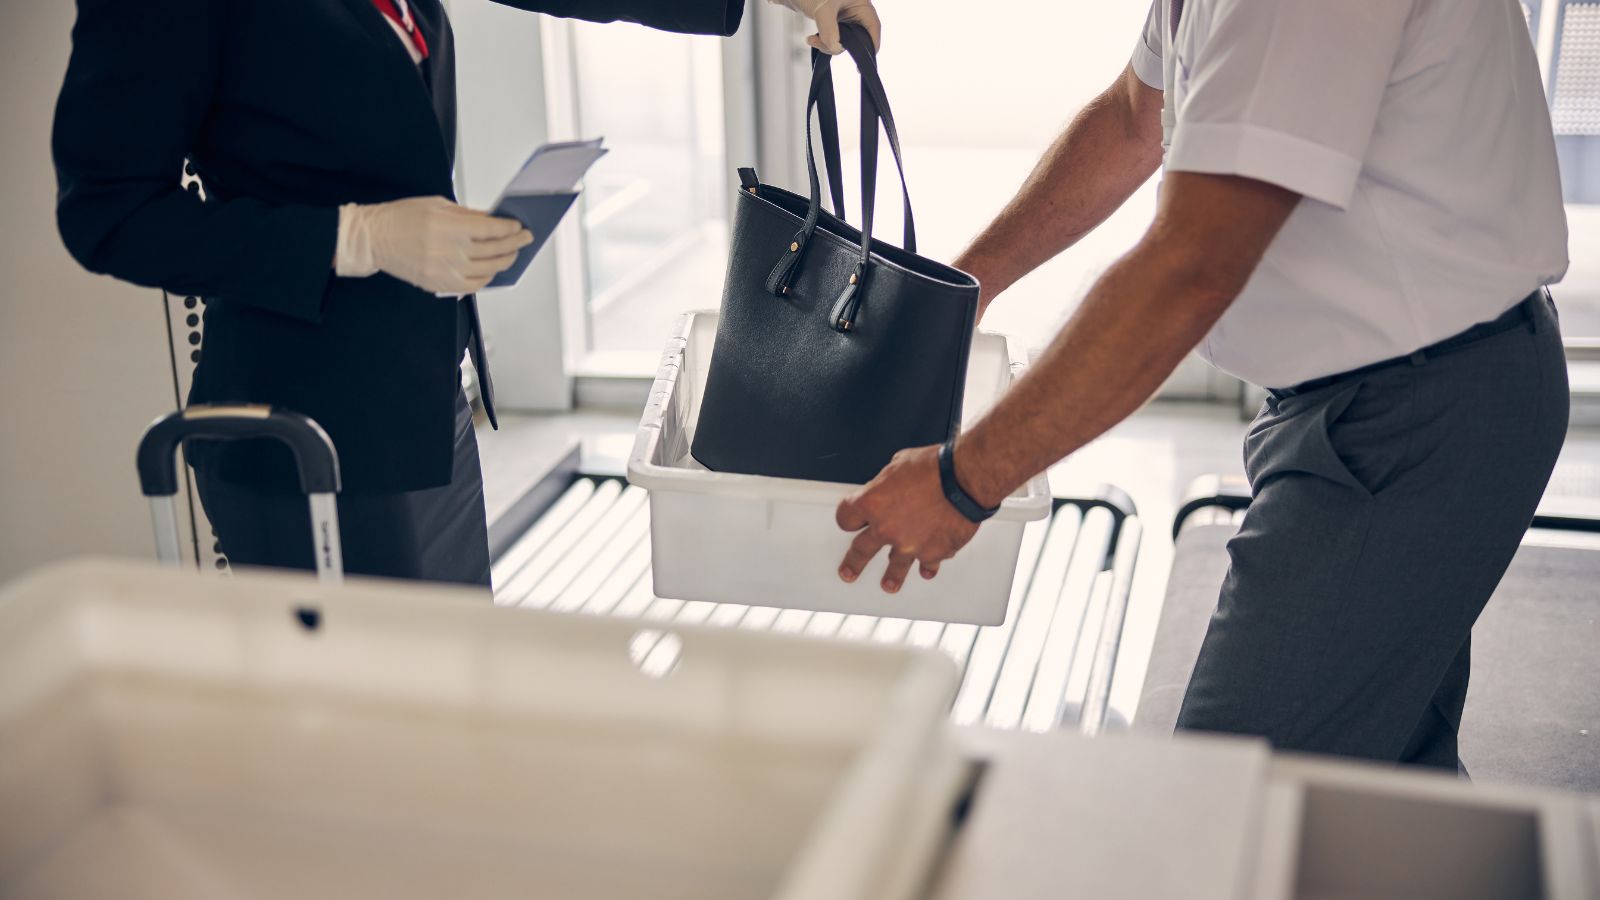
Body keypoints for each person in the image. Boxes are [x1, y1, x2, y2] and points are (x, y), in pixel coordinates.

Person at [836, 0, 1569, 772]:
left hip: (1418, 416)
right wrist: (956, 292)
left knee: (1223, 795)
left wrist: (963, 481)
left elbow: (1191, 268)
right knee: (1378, 789)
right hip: (1379, 392)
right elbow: (1132, 119)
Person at [54, 0, 879, 587]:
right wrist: (356, 238)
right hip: (303, 434)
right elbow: (108, 213)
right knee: (370, 752)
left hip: (422, 404)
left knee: (445, 698)